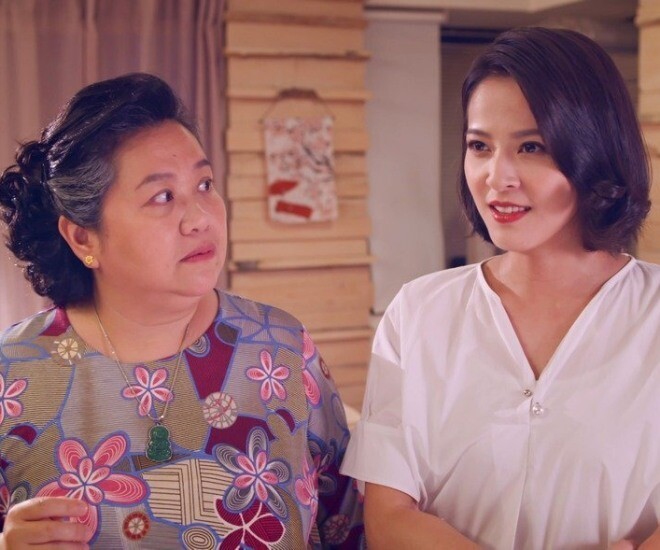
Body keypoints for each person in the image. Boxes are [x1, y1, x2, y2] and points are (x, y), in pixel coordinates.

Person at [0, 73, 363, 548]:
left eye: (205, 184)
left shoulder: (283, 350)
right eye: (163, 196)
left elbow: (349, 528)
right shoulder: (13, 373)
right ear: (84, 238)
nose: (201, 218)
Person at [341, 26, 660, 549]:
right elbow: (389, 518)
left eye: (532, 147)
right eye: (479, 146)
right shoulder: (418, 313)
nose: (496, 176)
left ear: (595, 152)